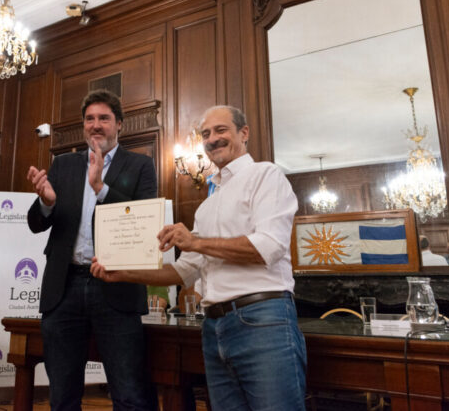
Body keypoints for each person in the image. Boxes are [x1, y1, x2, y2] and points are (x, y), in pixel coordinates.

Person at [92, 105, 307, 410]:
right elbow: (184, 271)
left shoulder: (266, 175)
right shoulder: (207, 206)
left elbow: (268, 247)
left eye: (221, 130)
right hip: (213, 326)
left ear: (244, 133)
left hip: (263, 319)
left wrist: (195, 242)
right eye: (206, 134)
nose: (212, 139)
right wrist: (122, 273)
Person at [26, 89, 157, 410]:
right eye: (89, 119)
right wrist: (46, 202)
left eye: (104, 118)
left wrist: (101, 188)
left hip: (116, 287)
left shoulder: (140, 165)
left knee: (128, 393)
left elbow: (142, 222)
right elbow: (36, 224)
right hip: (64, 288)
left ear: (119, 124)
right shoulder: (64, 165)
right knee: (62, 395)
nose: (96, 124)